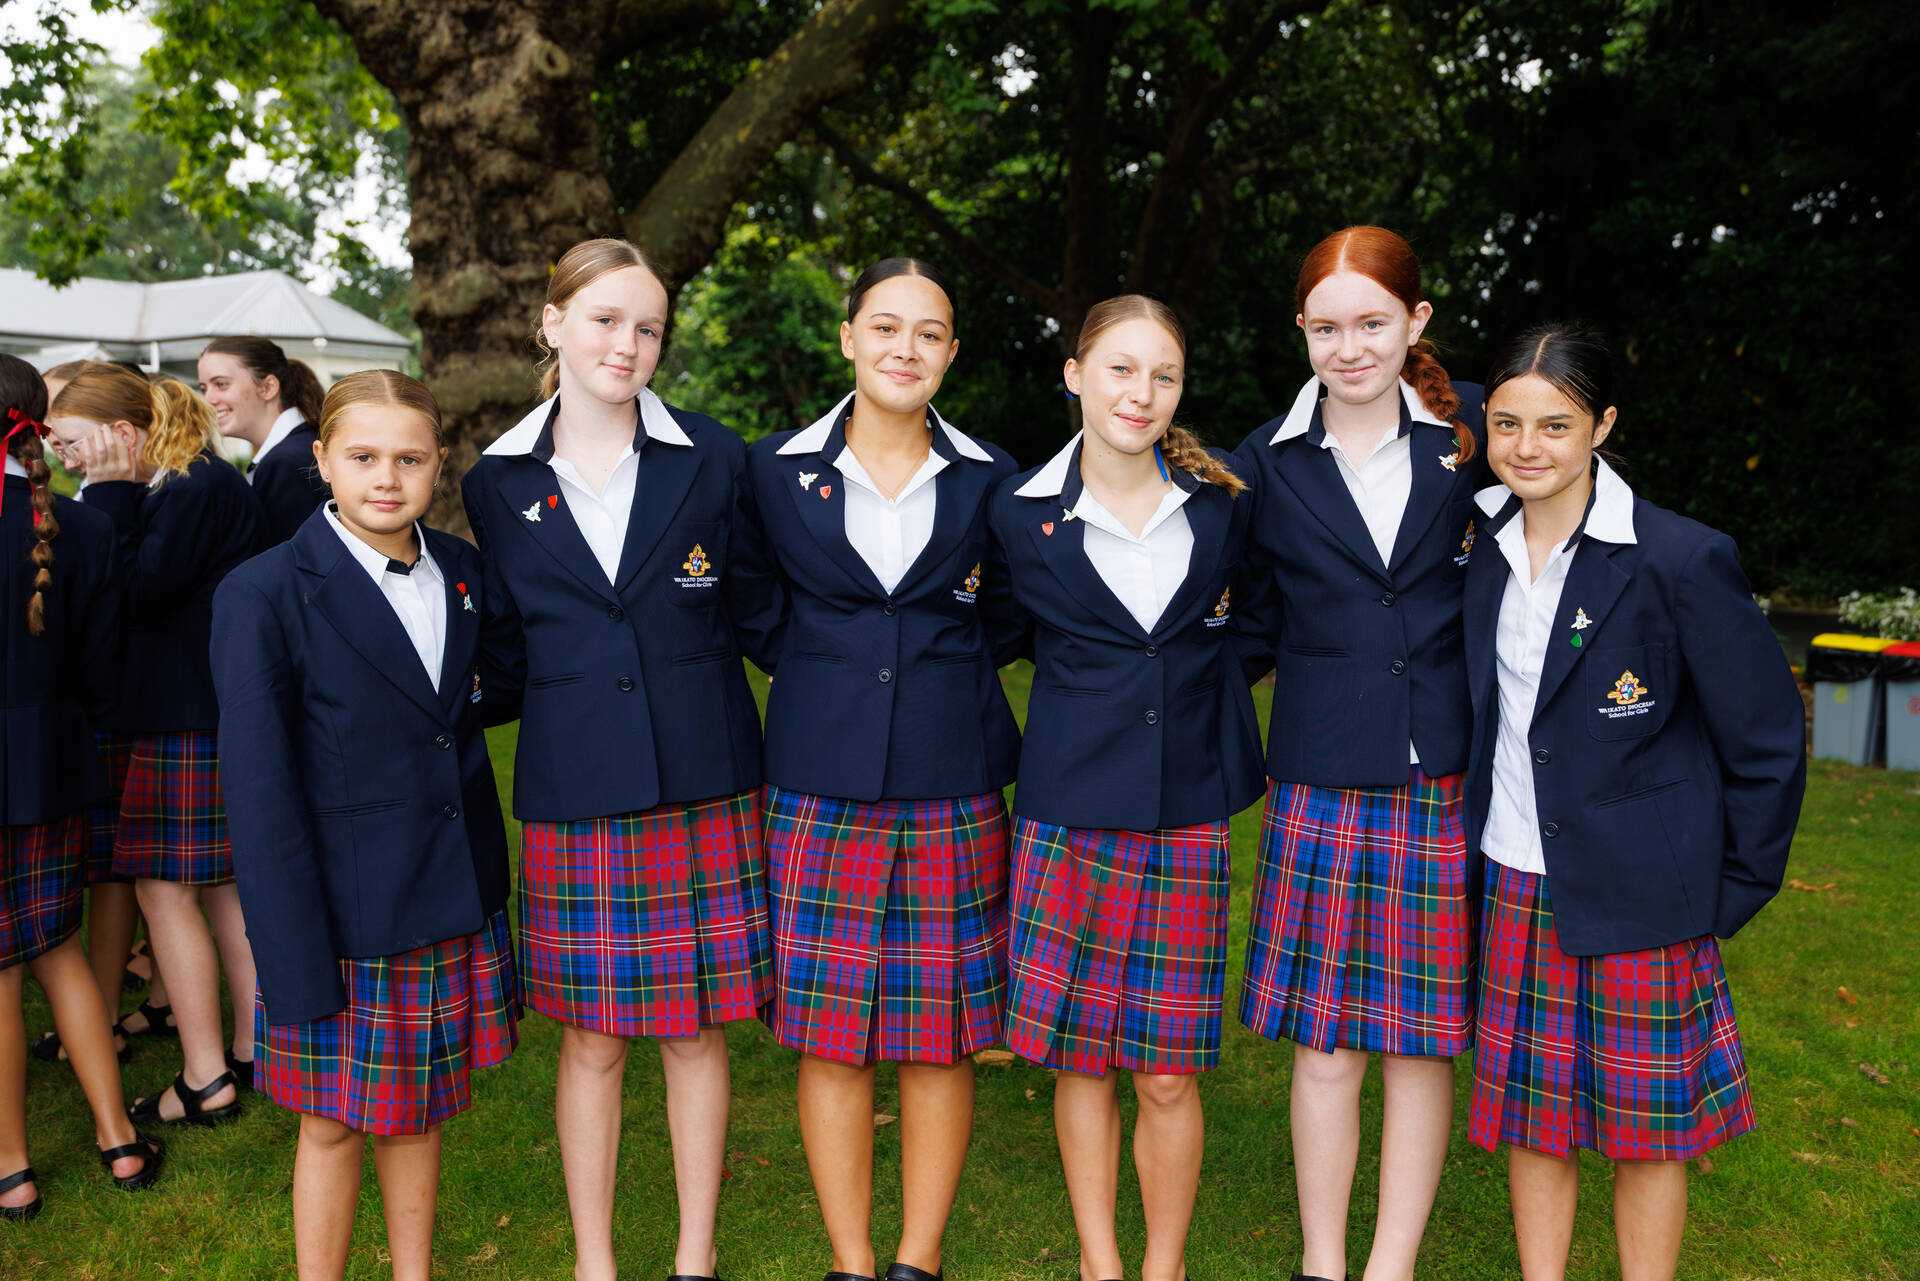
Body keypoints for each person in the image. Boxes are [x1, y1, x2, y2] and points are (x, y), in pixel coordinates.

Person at [462, 238, 780, 1281]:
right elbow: (500, 646)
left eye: (648, 326)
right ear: (550, 324)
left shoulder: (717, 457)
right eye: (604, 319)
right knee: (591, 1040)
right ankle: (595, 1263)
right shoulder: (496, 482)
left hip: (704, 781)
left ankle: (696, 1255)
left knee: (696, 1032)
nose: (628, 344)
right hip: (577, 787)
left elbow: (760, 613)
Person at [1461, 323, 1805, 1281]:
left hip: (1648, 897)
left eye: (1556, 425)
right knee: (1536, 1120)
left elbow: (1766, 740)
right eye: (1506, 424)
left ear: (1602, 425)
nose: (1527, 446)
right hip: (1518, 875)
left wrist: (1729, 888)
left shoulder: (1679, 559)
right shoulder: (1481, 549)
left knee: (1648, 1133)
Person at [747, 257, 1020, 1281]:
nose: (907, 349)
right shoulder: (772, 469)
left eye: (931, 333)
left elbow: (1010, 615)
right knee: (831, 1033)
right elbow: (751, 598)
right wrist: (832, 671)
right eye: (887, 327)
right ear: (850, 336)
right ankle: (852, 1259)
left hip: (954, 778)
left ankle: (917, 1257)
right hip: (820, 777)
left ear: (951, 352)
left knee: (941, 1031)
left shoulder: (996, 478)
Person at [214, 369, 517, 1281]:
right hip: (341, 909)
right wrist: (292, 953)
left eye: (411, 458)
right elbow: (260, 794)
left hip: (446, 884)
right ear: (322, 461)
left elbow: (467, 702)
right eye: (363, 457)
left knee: (418, 1104)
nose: (387, 477)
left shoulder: (462, 571)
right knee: (333, 1116)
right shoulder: (263, 593)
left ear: (439, 465)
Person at [1231, 225, 1486, 1281]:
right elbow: (1236, 617)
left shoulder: (1478, 431)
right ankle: (1323, 1261)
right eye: (1327, 327)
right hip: (1323, 771)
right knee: (1327, 1042)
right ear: (1302, 330)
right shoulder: (1264, 461)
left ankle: (1391, 1264)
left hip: (1444, 770)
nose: (1351, 348)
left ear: (1416, 322)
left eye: (1373, 323)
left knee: (1420, 1042)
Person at [990, 296, 1262, 1281]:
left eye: (1162, 375)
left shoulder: (1224, 501)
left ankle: (1163, 1267)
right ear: (1074, 376)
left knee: (1166, 1068)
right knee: (1080, 1056)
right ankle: (1102, 1263)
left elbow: (1255, 621)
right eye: (1118, 370)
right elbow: (994, 634)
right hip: (1070, 808)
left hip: (1187, 807)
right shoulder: (1014, 514)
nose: (1139, 394)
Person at [46, 363, 264, 1126]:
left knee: (164, 891)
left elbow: (136, 591)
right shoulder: (188, 482)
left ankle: (209, 1074)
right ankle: (250, 1048)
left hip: (187, 716)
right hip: (199, 711)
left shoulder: (190, 486)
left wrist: (105, 496)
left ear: (123, 434)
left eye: (71, 441)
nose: (62, 457)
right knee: (222, 888)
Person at [0, 353, 163, 1221]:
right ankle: (118, 1141)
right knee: (59, 948)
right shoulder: (84, 526)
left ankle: (13, 1166)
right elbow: (105, 671)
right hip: (61, 766)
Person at [198, 337, 330, 545]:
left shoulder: (286, 463)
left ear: (268, 387)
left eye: (221, 384)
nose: (209, 399)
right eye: (204, 388)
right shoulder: (298, 447)